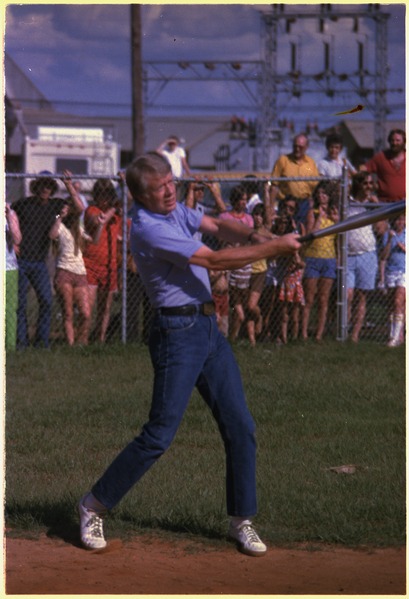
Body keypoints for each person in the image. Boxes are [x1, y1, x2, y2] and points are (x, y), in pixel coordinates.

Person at [78, 151, 301, 556]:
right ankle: (93, 505)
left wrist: (256, 237)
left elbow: (216, 225)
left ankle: (241, 520)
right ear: (140, 196)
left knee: (240, 424)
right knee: (159, 435)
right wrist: (275, 249)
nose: (168, 191)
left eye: (169, 183)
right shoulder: (147, 228)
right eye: (159, 188)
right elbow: (213, 257)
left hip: (207, 327)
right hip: (176, 333)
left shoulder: (174, 209)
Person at [12, 171, 70, 349]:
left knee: (46, 300)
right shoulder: (23, 204)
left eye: (49, 186)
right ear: (36, 186)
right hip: (21, 260)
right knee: (20, 303)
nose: (45, 189)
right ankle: (21, 342)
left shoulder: (55, 205)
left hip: (39, 262)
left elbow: (78, 207)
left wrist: (68, 184)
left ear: (52, 188)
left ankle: (41, 342)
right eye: (42, 185)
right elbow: (8, 219)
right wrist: (11, 243)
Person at [49, 172, 99, 346]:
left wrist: (69, 186)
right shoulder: (60, 225)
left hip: (80, 273)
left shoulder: (78, 227)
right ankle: (71, 347)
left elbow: (81, 209)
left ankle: (81, 341)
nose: (70, 209)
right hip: (64, 272)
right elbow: (52, 234)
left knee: (85, 313)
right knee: (68, 313)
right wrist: (59, 216)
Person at [82, 179, 123, 343]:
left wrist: (124, 184)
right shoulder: (91, 210)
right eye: (100, 195)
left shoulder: (117, 217)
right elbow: (99, 219)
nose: (104, 199)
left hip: (110, 266)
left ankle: (100, 340)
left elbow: (131, 199)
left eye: (107, 195)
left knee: (105, 308)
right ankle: (82, 341)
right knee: (87, 309)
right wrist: (115, 207)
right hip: (91, 264)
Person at [301, 181, 339, 342]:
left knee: (324, 298)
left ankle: (319, 334)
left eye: (325, 193)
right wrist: (319, 219)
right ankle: (303, 333)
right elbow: (309, 235)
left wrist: (335, 219)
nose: (321, 196)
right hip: (313, 257)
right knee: (309, 298)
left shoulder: (335, 214)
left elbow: (340, 237)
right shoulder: (313, 212)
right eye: (319, 193)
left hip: (329, 259)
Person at [218, 186, 254, 342]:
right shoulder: (225, 216)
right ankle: (227, 334)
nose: (244, 203)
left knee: (240, 298)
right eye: (242, 199)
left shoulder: (248, 219)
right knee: (227, 296)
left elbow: (249, 239)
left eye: (246, 199)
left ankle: (234, 336)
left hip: (242, 262)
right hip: (228, 260)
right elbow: (220, 238)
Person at [346, 172, 379, 343]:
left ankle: (355, 335)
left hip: (367, 254)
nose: (368, 187)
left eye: (370, 184)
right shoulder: (348, 203)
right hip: (349, 255)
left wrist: (377, 207)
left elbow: (381, 229)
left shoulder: (372, 204)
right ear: (358, 184)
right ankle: (343, 329)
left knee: (361, 296)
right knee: (348, 294)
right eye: (365, 183)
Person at [270, 133, 319, 225]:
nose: (297, 149)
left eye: (300, 147)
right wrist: (271, 206)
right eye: (295, 146)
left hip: (304, 204)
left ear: (306, 147)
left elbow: (315, 185)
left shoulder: (310, 164)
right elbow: (274, 185)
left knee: (303, 230)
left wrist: (312, 202)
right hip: (287, 203)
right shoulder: (283, 161)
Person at [246, 203, 273, 346]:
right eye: (255, 214)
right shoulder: (248, 231)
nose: (257, 218)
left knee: (251, 306)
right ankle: (252, 341)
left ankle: (259, 317)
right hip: (246, 271)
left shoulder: (266, 233)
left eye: (260, 215)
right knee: (247, 306)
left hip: (259, 272)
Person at [380, 214, 405, 347]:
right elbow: (384, 256)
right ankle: (393, 334)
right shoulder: (388, 235)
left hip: (404, 271)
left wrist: (405, 248)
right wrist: (390, 240)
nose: (400, 222)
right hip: (391, 271)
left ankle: (395, 338)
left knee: (398, 301)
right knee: (392, 304)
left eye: (403, 219)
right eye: (398, 219)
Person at [363, 129, 406, 203]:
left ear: (404, 142)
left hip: (404, 205)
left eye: (398, 140)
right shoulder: (381, 158)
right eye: (392, 140)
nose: (394, 143)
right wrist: (369, 191)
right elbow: (363, 170)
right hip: (384, 205)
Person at [5, 202, 22, 351]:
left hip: (8, 267)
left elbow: (17, 239)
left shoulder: (10, 213)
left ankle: (9, 346)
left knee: (10, 309)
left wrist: (9, 217)